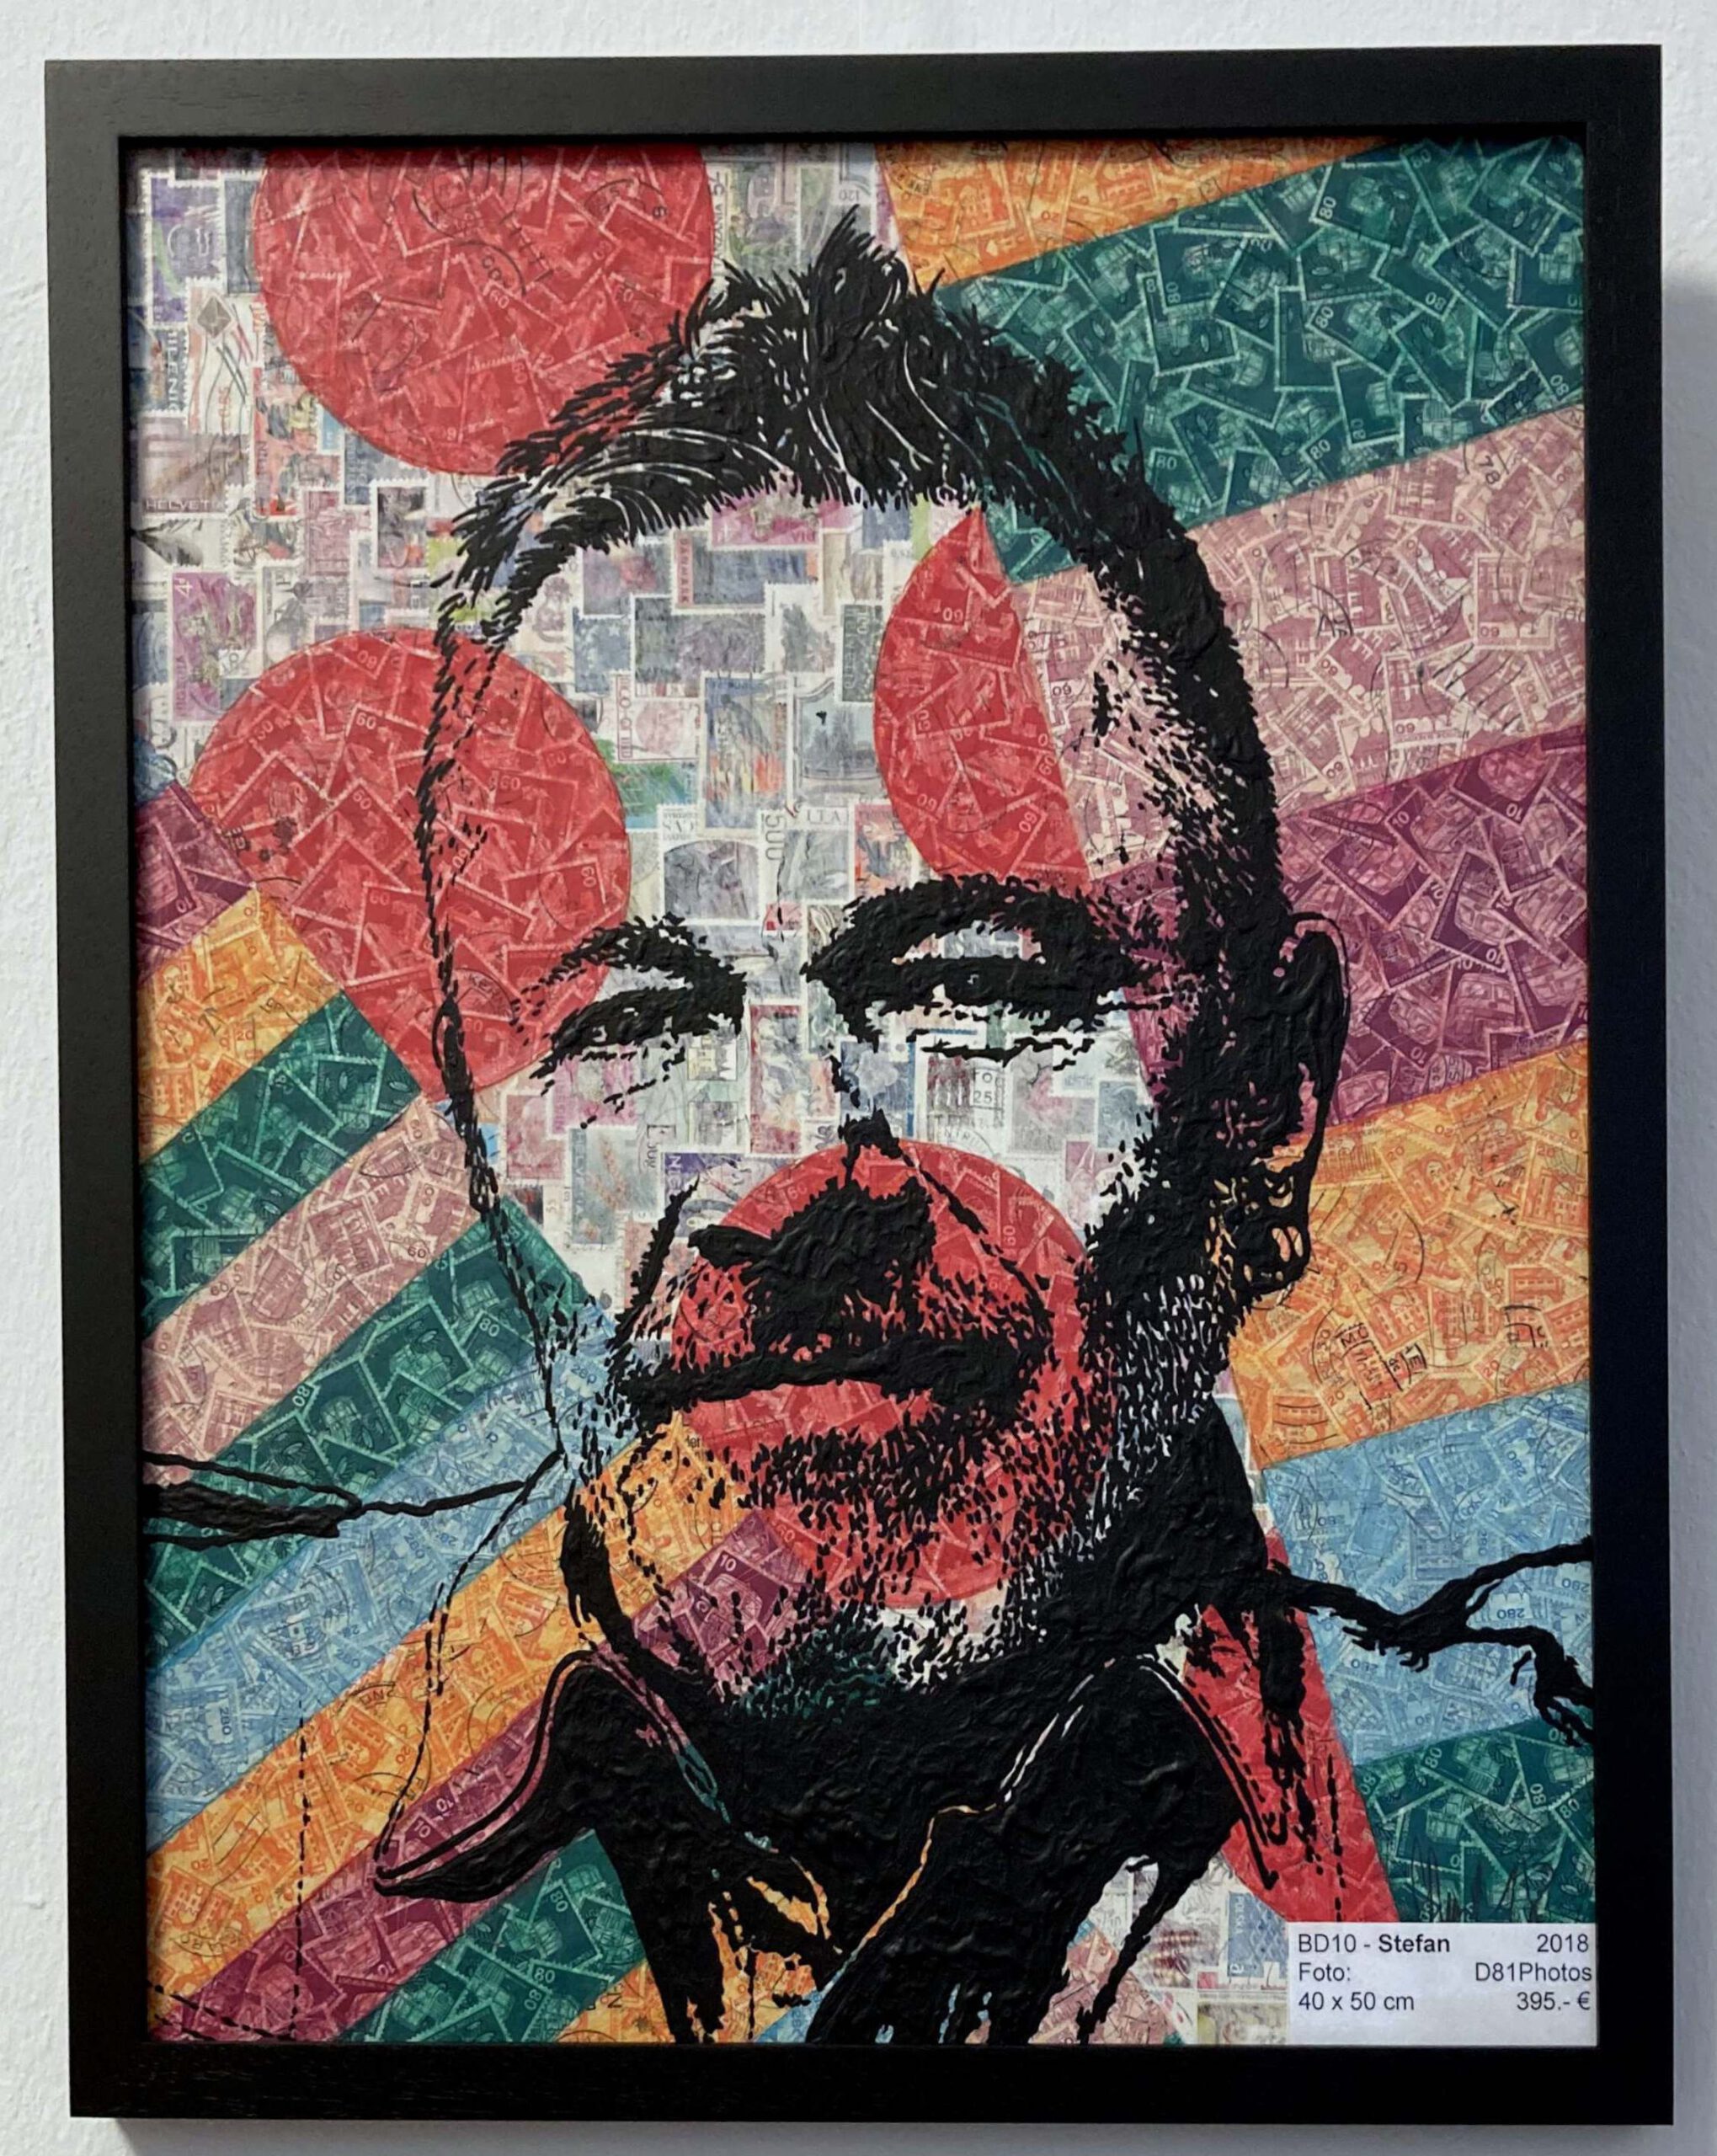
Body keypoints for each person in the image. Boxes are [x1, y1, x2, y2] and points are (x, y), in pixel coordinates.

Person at [372, 219, 1591, 2045]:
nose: (790, 1173)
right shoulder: (354, 1969)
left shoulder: (1517, 1830)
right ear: (483, 1156)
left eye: (965, 986)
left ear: (1266, 1093)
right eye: (631, 1025)